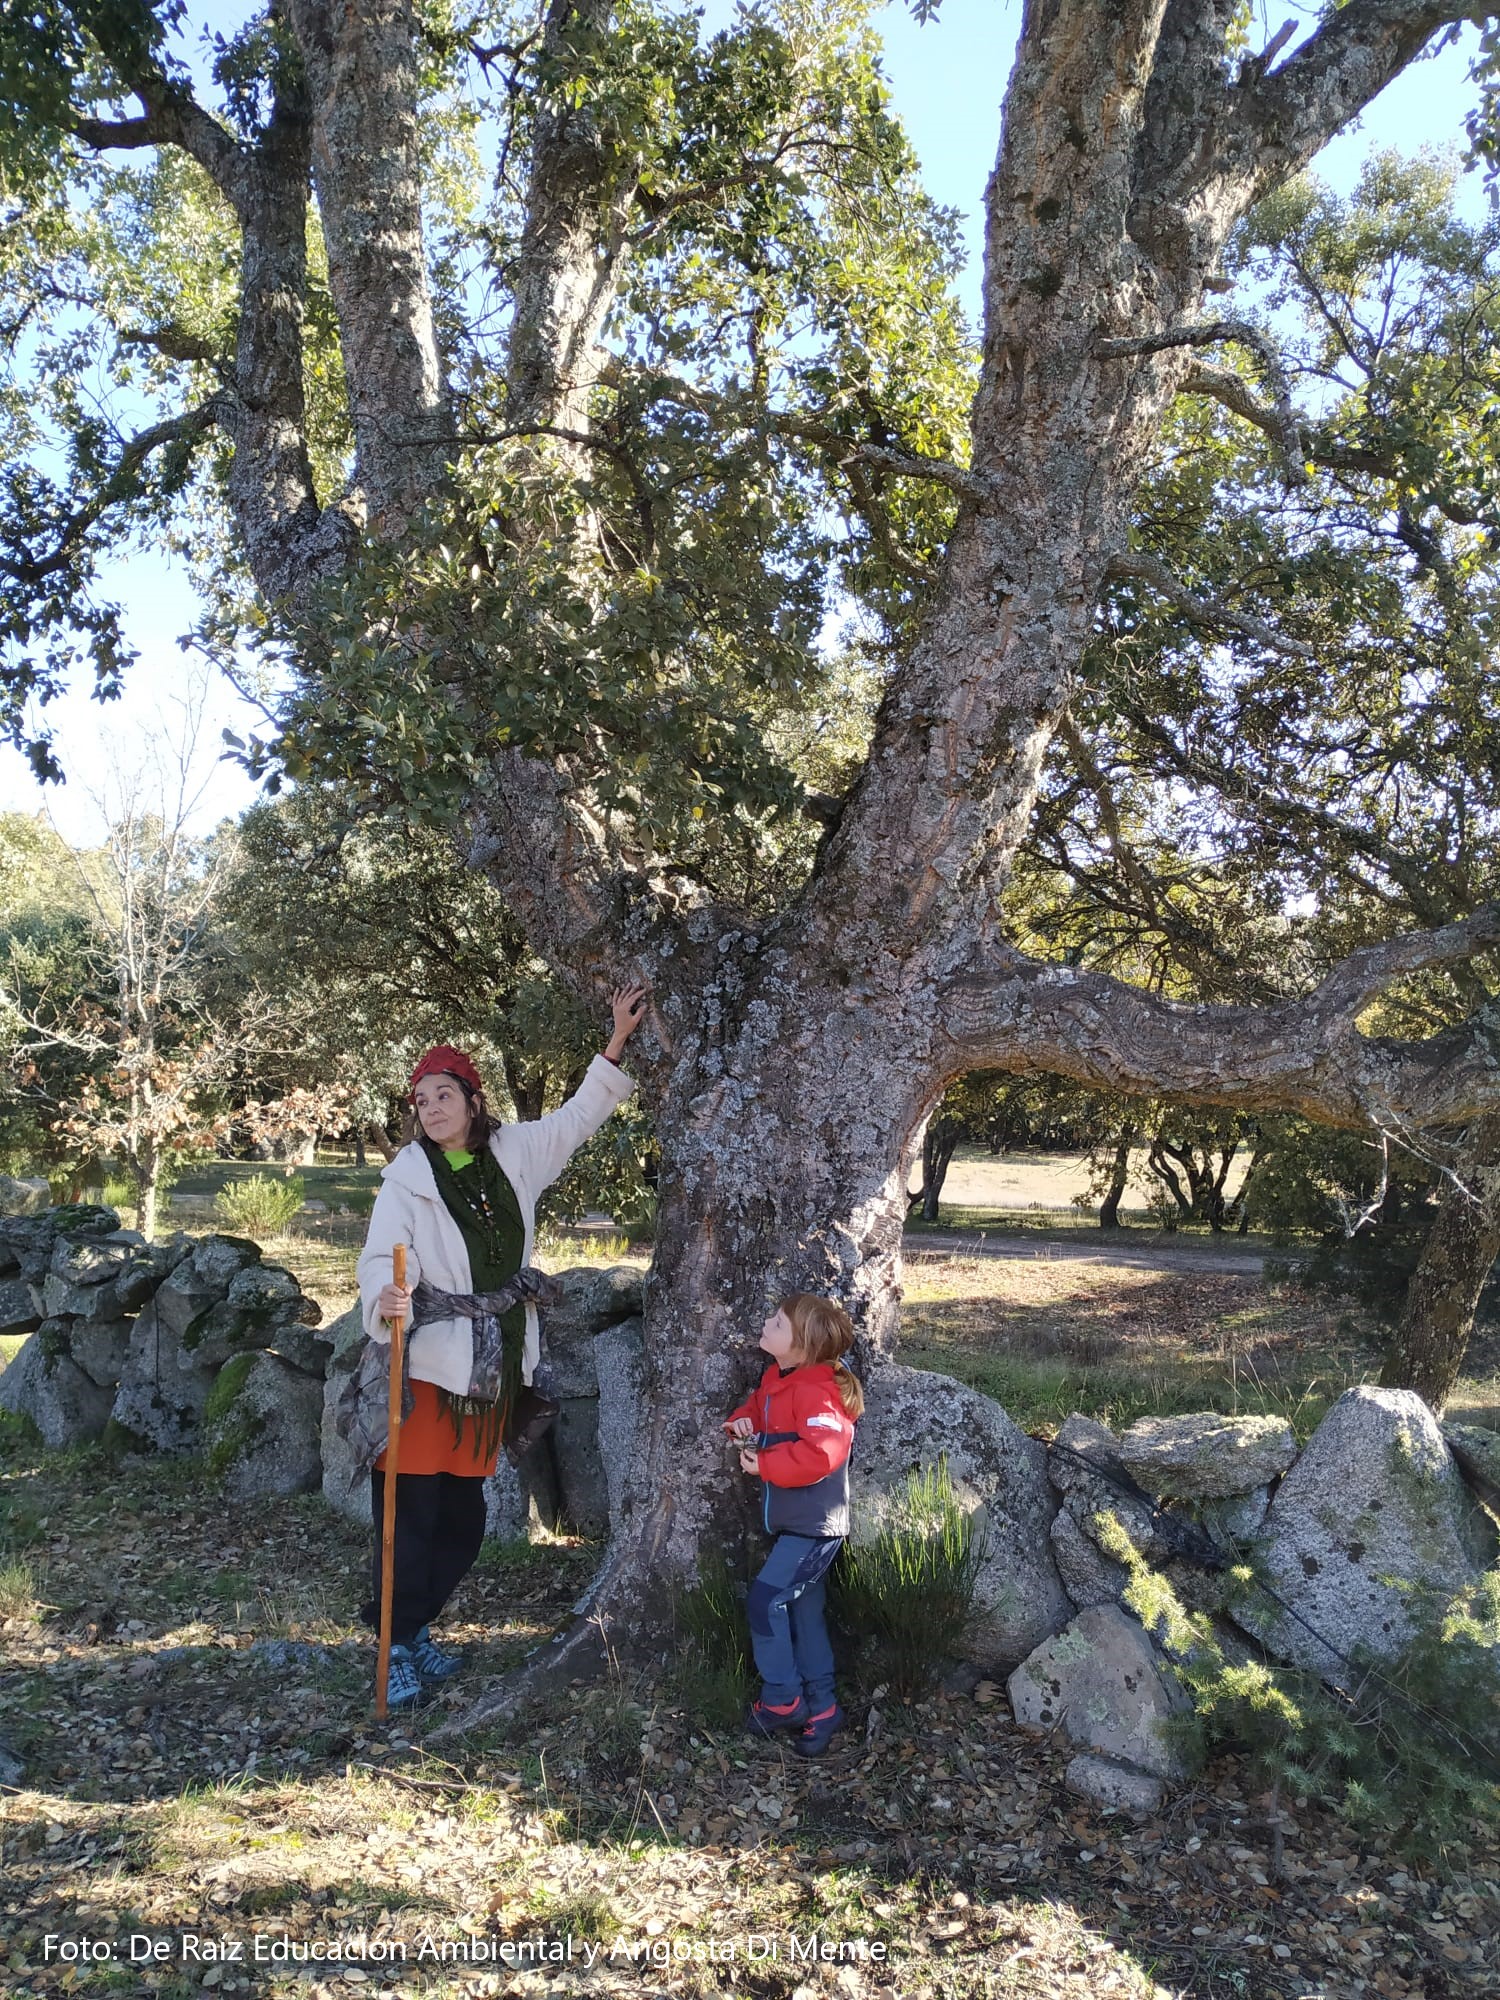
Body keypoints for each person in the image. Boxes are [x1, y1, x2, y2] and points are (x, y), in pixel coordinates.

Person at [355, 984, 648, 1707]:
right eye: (420, 1099)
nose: (430, 1107)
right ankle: (395, 1645)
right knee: (409, 1516)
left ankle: (415, 1629)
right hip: (427, 1368)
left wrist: (614, 1042)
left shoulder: (515, 1152)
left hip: (491, 1372)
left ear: (472, 1099)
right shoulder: (406, 1180)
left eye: (442, 1093)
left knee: (465, 1517)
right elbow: (381, 1258)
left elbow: (580, 1117)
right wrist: (384, 1297)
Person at [724, 1292, 865, 1758]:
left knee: (766, 1602)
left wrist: (763, 1466)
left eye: (777, 1323)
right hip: (795, 1525)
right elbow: (756, 1408)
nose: (766, 1323)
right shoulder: (777, 1379)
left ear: (801, 1345)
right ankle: (823, 1708)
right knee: (802, 1612)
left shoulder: (816, 1389)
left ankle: (783, 1699)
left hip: (815, 1528)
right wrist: (741, 1425)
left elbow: (823, 1453)